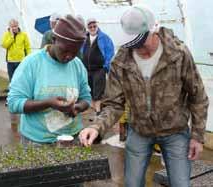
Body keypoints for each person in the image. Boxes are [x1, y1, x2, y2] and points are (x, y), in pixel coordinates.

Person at [79, 4, 209, 187]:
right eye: (132, 44)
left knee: (181, 183)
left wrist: (197, 136)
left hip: (175, 133)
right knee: (132, 183)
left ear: (154, 29)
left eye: (141, 42)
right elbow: (114, 104)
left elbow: (198, 96)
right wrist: (97, 127)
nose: (137, 49)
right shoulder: (121, 61)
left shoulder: (178, 54)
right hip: (139, 132)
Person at [7, 15, 91, 146]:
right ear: (53, 39)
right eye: (64, 50)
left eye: (74, 52)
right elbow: (13, 103)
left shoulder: (77, 65)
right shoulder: (32, 63)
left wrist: (77, 108)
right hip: (37, 142)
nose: (69, 56)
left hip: (71, 138)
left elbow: (86, 98)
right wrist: (48, 103)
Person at [82, 18, 114, 115]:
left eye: (94, 26)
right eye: (90, 26)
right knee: (89, 89)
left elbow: (110, 52)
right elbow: (80, 51)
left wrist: (105, 66)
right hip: (87, 68)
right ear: (87, 28)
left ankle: (98, 110)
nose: (92, 28)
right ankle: (94, 108)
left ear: (97, 25)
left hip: (99, 68)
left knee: (98, 89)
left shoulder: (104, 38)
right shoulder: (84, 38)